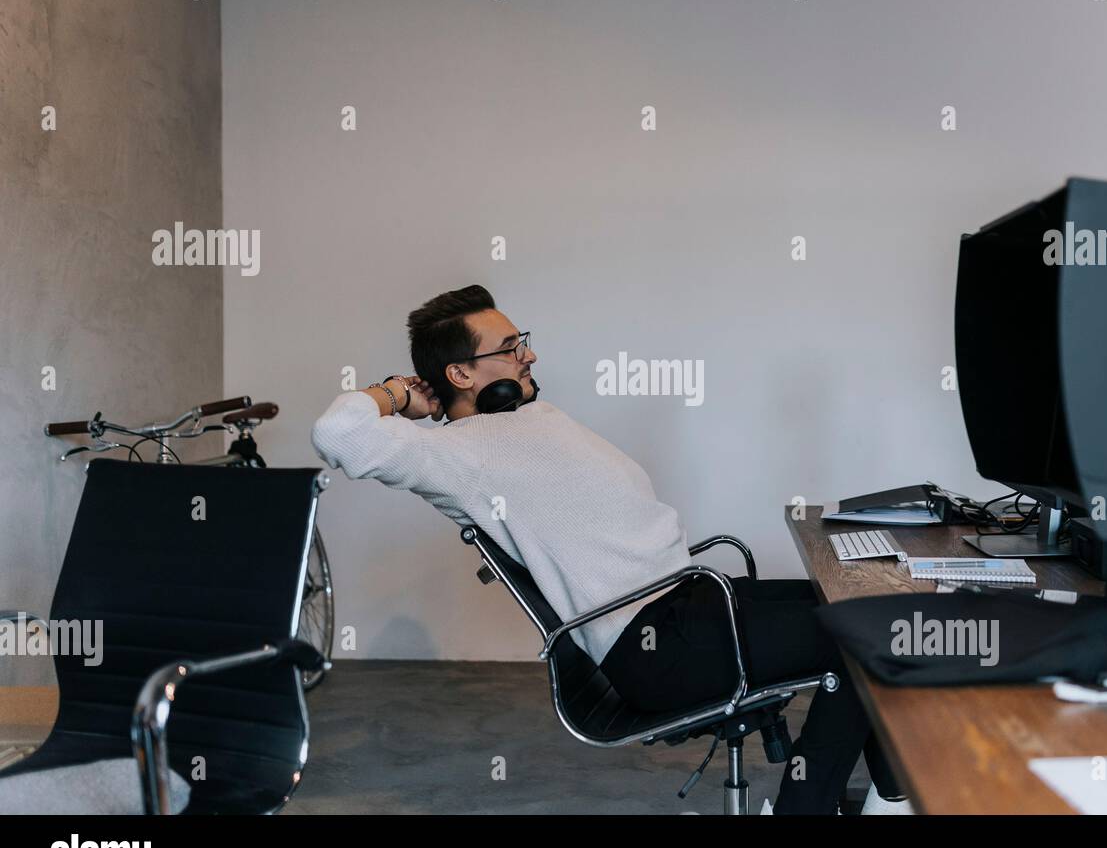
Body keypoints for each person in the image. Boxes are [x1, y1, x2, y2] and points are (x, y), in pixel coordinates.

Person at [310, 283, 907, 814]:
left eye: (524, 343)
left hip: (691, 606)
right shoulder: (458, 457)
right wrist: (396, 394)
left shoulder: (528, 418)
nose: (530, 355)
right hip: (658, 647)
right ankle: (817, 806)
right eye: (511, 348)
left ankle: (890, 796)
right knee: (861, 635)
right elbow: (338, 433)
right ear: (462, 374)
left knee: (867, 605)